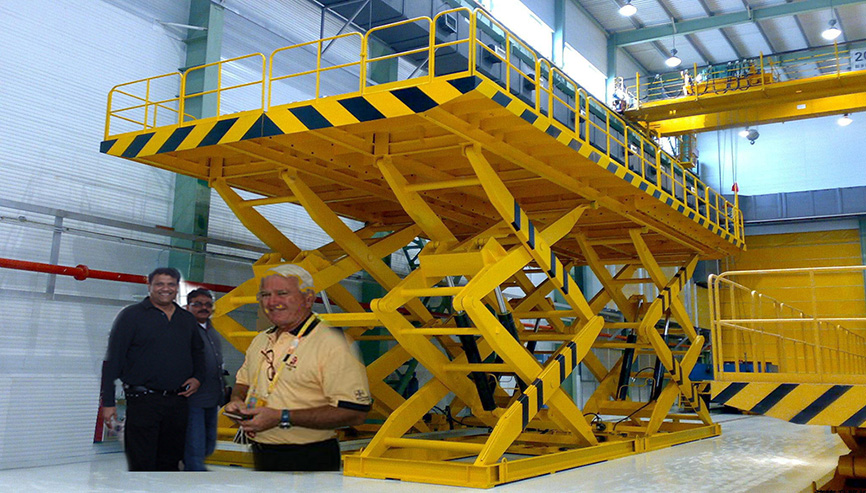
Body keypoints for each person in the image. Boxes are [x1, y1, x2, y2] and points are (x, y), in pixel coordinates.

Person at [223, 264, 372, 471]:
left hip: (310, 456)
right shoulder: (261, 340)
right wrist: (237, 401)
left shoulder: (333, 343)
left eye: (282, 293)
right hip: (261, 452)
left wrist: (281, 417)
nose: (272, 302)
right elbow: (243, 383)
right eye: (265, 295)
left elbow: (355, 412)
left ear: (308, 299)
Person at [101, 267, 205, 471]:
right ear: (149, 286)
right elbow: (113, 360)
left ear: (177, 288)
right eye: (159, 284)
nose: (165, 289)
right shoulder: (131, 316)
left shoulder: (186, 319)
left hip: (178, 402)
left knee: (171, 463)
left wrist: (198, 377)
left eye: (171, 284)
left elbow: (198, 353)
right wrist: (108, 403)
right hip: (143, 402)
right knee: (142, 465)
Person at [183, 288, 226, 471]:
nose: (204, 308)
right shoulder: (182, 330)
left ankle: (192, 468)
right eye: (198, 304)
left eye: (208, 304)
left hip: (212, 396)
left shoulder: (212, 331)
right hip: (193, 399)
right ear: (187, 307)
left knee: (209, 443)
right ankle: (194, 477)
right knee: (195, 444)